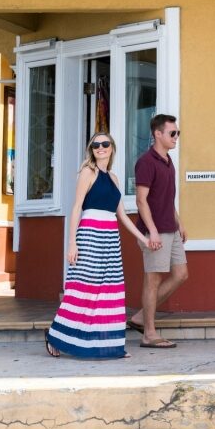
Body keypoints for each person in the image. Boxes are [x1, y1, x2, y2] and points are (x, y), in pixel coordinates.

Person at [45, 133, 150, 359]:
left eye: (105, 144)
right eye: (96, 145)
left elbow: (121, 214)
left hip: (110, 239)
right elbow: (76, 208)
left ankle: (110, 345)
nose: (100, 148)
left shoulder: (114, 178)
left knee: (109, 291)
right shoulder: (87, 172)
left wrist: (143, 238)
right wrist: (72, 243)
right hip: (90, 236)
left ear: (112, 148)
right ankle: (55, 334)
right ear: (91, 149)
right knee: (83, 289)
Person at [127, 114, 187, 349]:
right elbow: (141, 201)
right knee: (152, 280)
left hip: (170, 229)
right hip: (155, 231)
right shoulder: (146, 162)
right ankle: (149, 334)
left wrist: (179, 222)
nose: (176, 137)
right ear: (158, 134)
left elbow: (166, 198)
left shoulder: (168, 161)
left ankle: (142, 316)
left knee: (181, 274)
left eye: (177, 133)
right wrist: (151, 231)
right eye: (172, 133)